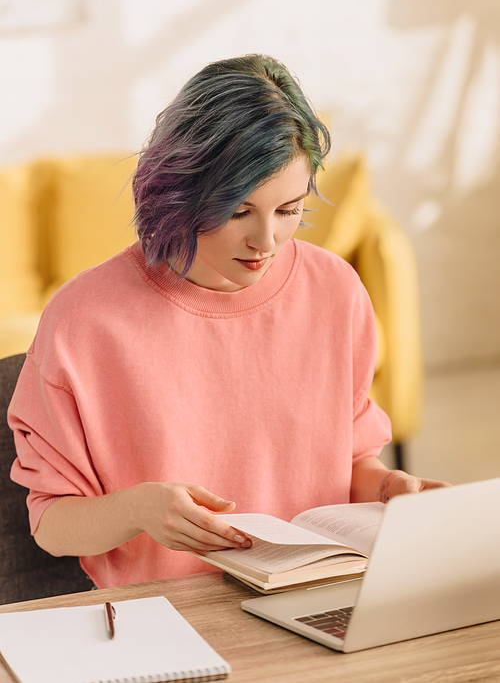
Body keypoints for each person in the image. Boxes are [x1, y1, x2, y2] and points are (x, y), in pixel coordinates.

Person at [8, 54, 448, 589]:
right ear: (178, 189)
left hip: (317, 598)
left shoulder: (335, 291)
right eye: (239, 211)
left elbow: (350, 460)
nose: (266, 242)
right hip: (167, 619)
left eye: (289, 210)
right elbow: (51, 522)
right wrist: (137, 510)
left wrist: (385, 489)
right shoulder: (84, 321)